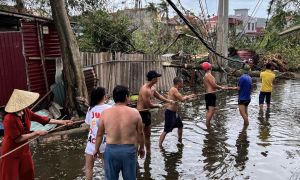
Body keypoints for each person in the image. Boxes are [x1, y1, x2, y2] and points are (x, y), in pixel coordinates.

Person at [0, 89, 73, 180]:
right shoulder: (9, 119)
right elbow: (17, 139)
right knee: (10, 177)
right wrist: (36, 133)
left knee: (28, 173)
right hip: (11, 151)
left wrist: (62, 122)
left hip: (24, 149)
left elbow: (42, 119)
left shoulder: (26, 111)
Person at [93, 85, 145, 180]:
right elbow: (140, 133)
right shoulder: (135, 112)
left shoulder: (105, 113)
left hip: (111, 151)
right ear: (126, 97)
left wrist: (96, 149)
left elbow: (99, 134)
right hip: (129, 151)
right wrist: (142, 147)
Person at [137, 70, 174, 155]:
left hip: (147, 113)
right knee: (140, 135)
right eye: (157, 77)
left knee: (148, 134)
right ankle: (137, 154)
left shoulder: (152, 88)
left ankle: (148, 153)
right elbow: (148, 104)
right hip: (141, 114)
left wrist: (168, 101)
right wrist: (157, 106)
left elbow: (159, 96)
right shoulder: (145, 90)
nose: (158, 79)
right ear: (153, 79)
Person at [159, 77, 194, 148]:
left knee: (180, 125)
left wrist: (188, 97)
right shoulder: (174, 90)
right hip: (170, 113)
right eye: (182, 82)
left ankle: (180, 141)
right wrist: (188, 96)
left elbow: (181, 98)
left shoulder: (175, 89)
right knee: (166, 130)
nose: (183, 84)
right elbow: (181, 99)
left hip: (174, 113)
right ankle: (160, 145)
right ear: (178, 83)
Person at [85, 87, 111, 180]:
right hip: (105, 142)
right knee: (107, 169)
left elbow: (88, 126)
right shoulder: (109, 108)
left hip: (91, 142)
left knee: (88, 168)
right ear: (104, 96)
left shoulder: (90, 109)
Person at [202, 62, 226, 128]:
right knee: (211, 111)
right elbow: (214, 85)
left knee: (209, 111)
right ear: (209, 68)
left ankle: (207, 124)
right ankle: (207, 125)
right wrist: (221, 87)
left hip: (207, 94)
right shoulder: (209, 75)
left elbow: (210, 86)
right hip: (211, 95)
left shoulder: (205, 76)